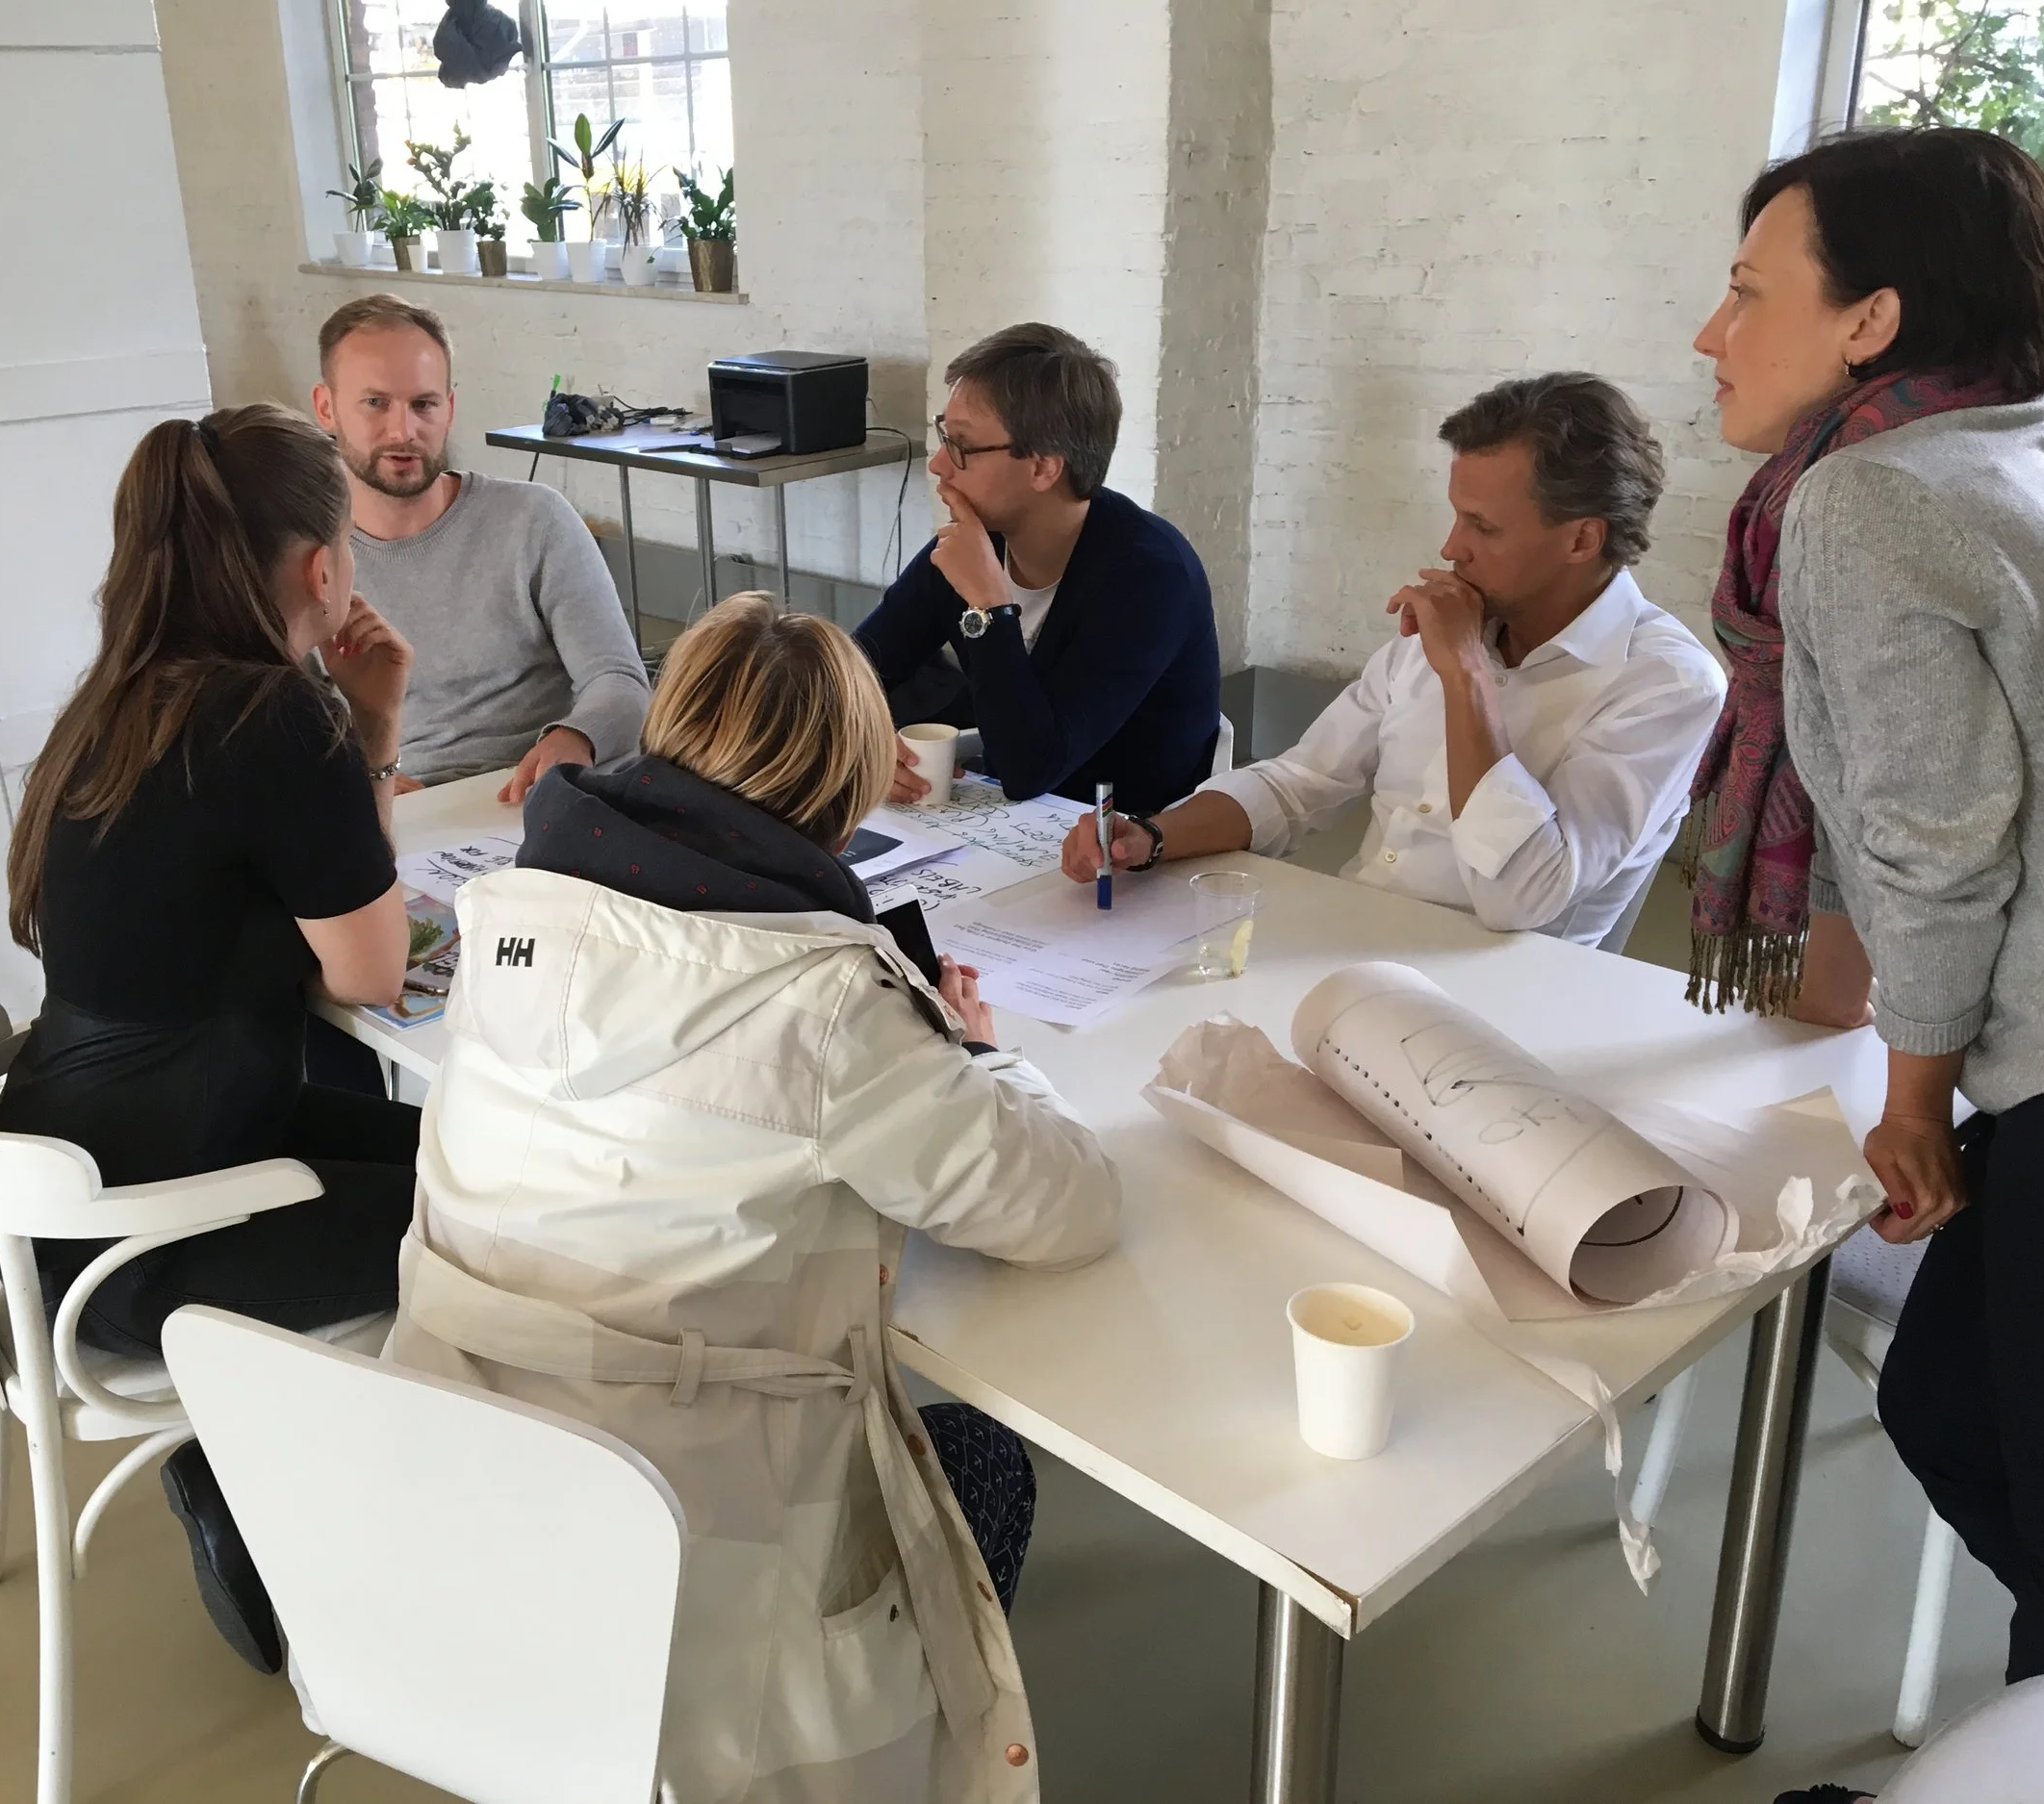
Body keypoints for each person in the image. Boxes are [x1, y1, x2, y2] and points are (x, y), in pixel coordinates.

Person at [391, 593, 1121, 1802]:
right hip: (682, 1576)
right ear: (847, 801)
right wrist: (978, 1055)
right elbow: (1070, 1206)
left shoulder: (506, 915)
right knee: (985, 1462)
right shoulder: (831, 1010)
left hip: (467, 1510)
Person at [1684, 128, 2044, 1735]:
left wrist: (1908, 1109)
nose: (1710, 333)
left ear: (1871, 322)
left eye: (1747, 291)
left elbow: (1934, 846)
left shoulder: (1858, 503)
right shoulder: (2016, 447)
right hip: (2032, 1053)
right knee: (1947, 1397)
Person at [0, 402, 422, 1674]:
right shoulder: (269, 722)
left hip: (58, 1193)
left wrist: (371, 732)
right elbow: (378, 968)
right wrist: (365, 732)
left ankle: (239, 1451)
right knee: (495, 1220)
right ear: (321, 565)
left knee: (460, 1148)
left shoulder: (116, 702)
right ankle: (286, 1486)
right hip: (145, 1230)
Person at [1061, 373, 1726, 947]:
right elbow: (1300, 784)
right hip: (1352, 952)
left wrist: (1466, 674)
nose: (1451, 545)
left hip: (1507, 1006)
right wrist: (1150, 836)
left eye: (1483, 526)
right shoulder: (1451, 622)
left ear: (1582, 537)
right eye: (1455, 516)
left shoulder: (1667, 682)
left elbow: (1522, 897)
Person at [853, 322, 1221, 814]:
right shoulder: (980, 540)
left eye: (961, 445)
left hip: (1126, 850)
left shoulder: (1150, 576)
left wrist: (989, 605)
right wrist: (866, 748)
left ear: (1044, 468)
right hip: (1004, 830)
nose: (939, 464)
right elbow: (851, 673)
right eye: (944, 435)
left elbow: (1031, 768)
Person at [311, 292, 649, 797]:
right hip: (399, 814)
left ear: (448, 408)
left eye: (423, 404)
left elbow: (621, 680)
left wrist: (578, 736)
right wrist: (361, 781)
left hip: (541, 798)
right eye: (375, 403)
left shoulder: (534, 519)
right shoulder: (304, 559)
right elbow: (279, 733)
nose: (404, 430)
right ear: (326, 408)